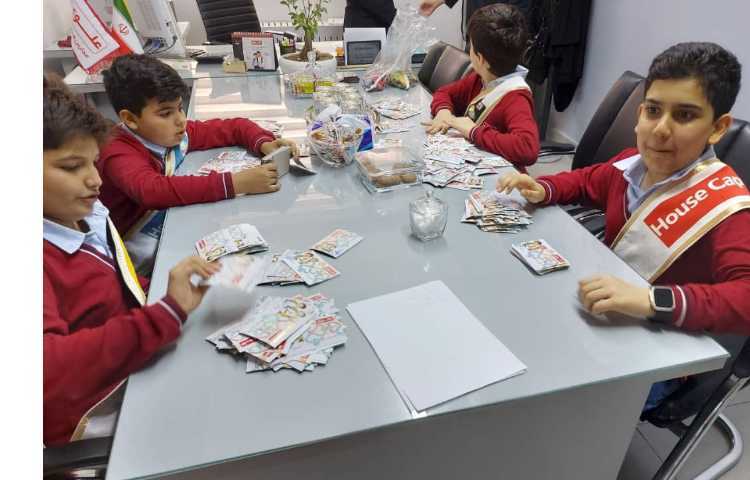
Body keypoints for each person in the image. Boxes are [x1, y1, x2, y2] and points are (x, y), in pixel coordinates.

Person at [496, 42, 750, 409]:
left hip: (661, 352)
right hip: (606, 316)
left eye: (684, 115)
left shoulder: (727, 206)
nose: (660, 129)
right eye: (653, 110)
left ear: (717, 128)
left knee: (543, 399)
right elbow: (585, 181)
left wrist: (651, 300)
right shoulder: (631, 164)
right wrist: (543, 187)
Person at [43, 75, 220, 445]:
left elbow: (115, 282)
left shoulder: (84, 215)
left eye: (93, 163)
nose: (95, 180)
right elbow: (48, 369)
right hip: (95, 414)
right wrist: (164, 314)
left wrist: (160, 296)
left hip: (133, 360)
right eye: (72, 167)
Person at [98, 54, 298, 274]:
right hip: (134, 259)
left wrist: (265, 143)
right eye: (165, 113)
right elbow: (152, 190)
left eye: (180, 108)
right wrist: (236, 183)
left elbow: (235, 127)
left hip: (170, 231)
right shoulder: (116, 151)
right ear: (130, 119)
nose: (180, 120)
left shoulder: (166, 133)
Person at [423, 4, 539, 170]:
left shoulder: (516, 98)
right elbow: (445, 92)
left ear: (480, 58)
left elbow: (527, 148)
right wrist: (443, 111)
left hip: (501, 177)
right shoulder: (480, 78)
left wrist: (473, 131)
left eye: (471, 46)